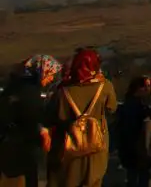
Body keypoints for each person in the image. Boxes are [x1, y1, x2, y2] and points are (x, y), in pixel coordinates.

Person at [45, 48, 118, 187]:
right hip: (97, 147)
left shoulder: (62, 91)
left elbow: (51, 117)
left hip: (69, 148)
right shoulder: (105, 87)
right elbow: (112, 109)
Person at [0, 54, 61, 187]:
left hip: (8, 146)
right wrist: (43, 131)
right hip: (20, 151)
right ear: (42, 71)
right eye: (50, 74)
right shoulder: (29, 90)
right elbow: (30, 117)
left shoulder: (16, 84)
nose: (51, 78)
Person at [117, 75, 151, 187]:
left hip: (132, 147)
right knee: (139, 176)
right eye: (145, 86)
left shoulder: (129, 104)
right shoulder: (135, 105)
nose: (148, 89)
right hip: (136, 146)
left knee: (134, 176)